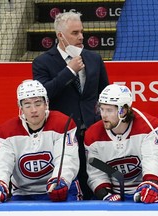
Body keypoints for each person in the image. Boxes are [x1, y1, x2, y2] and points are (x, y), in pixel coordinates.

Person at [32, 11, 109, 200]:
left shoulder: (94, 59)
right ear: (60, 36)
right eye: (75, 33)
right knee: (68, 186)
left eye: (81, 32)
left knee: (96, 182)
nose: (81, 37)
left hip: (92, 136)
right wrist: (69, 71)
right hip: (62, 138)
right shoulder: (42, 62)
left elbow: (104, 94)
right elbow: (43, 95)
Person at [0, 79, 82, 203]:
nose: (33, 110)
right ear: (20, 107)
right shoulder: (6, 131)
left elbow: (67, 158)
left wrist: (61, 180)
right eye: (27, 105)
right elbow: (2, 163)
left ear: (46, 103)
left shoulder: (63, 124)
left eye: (38, 104)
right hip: (23, 192)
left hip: (61, 189)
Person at [84, 84, 158, 203]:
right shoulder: (92, 135)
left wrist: (150, 183)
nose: (103, 115)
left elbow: (152, 159)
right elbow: (96, 173)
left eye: (109, 110)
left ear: (123, 110)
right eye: (102, 109)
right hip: (116, 191)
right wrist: (105, 194)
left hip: (153, 187)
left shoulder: (149, 126)